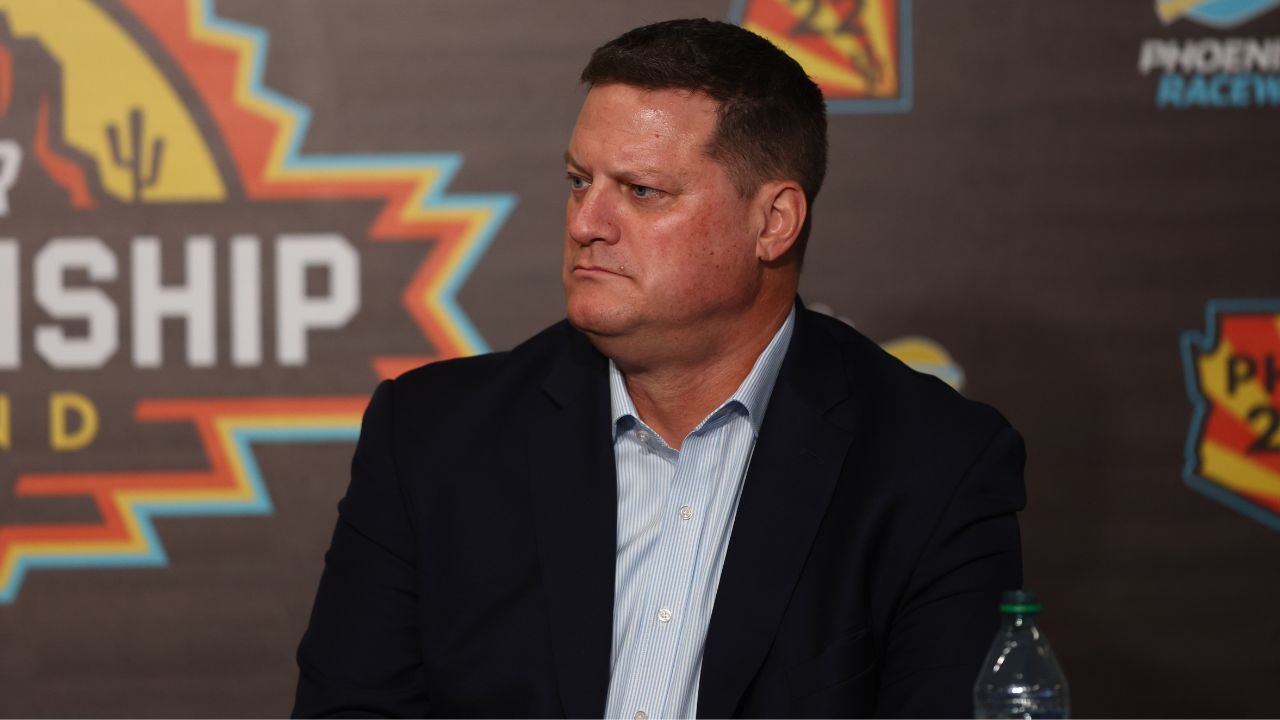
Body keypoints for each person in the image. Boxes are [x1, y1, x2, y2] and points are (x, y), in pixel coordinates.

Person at [293, 18, 1024, 719]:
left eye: (641, 191)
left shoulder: (934, 465)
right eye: (579, 181)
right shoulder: (430, 437)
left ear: (773, 223)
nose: (586, 223)